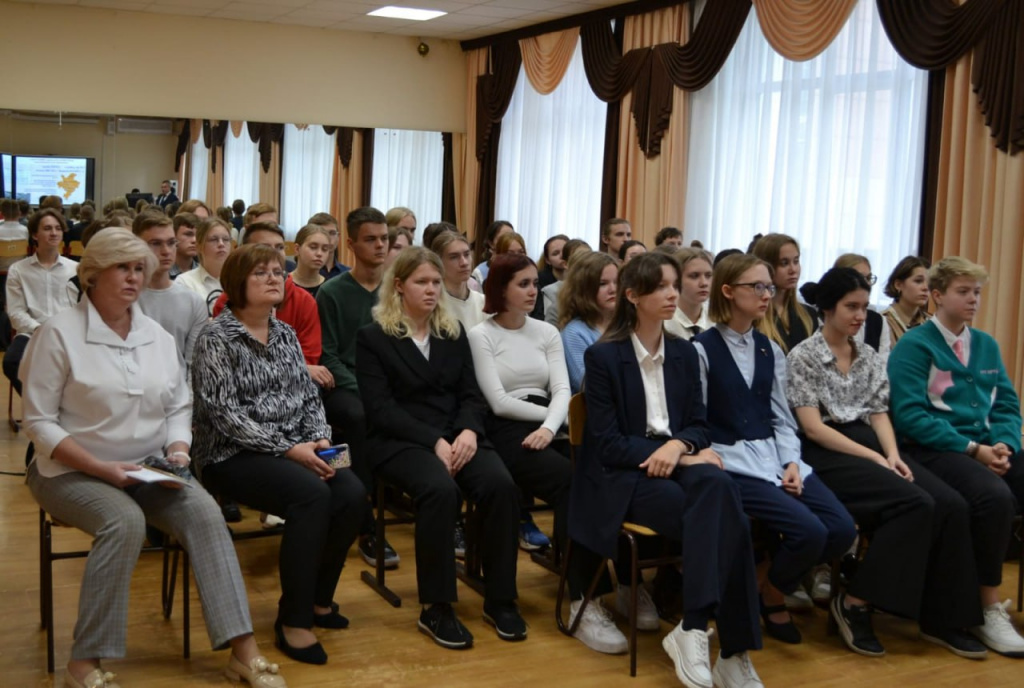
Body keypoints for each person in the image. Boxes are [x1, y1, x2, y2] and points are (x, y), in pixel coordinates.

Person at [22, 229, 285, 688]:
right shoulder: (58, 334)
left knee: (205, 514)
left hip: (147, 465)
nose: (133, 277)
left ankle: (244, 653)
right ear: (91, 275)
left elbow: (178, 406)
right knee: (124, 522)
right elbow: (39, 424)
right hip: (67, 469)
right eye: (121, 267)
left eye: (139, 268)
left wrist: (178, 448)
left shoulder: (156, 337)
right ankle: (82, 665)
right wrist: (102, 469)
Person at [572, 252, 764, 687]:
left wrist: (678, 447)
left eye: (674, 284)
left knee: (718, 489)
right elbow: (606, 444)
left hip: (677, 463)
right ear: (633, 296)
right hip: (625, 475)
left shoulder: (682, 352)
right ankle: (732, 650)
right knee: (725, 515)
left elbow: (699, 424)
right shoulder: (605, 358)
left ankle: (694, 627)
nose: (672, 293)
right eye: (661, 286)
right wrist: (675, 452)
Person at [788, 267, 987, 659]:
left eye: (864, 307)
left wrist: (893, 455)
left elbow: (879, 413)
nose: (860, 315)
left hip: (870, 442)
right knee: (916, 504)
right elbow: (812, 429)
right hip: (826, 450)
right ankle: (856, 602)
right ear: (827, 309)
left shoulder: (868, 354)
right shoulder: (804, 355)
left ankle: (943, 618)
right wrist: (875, 457)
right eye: (851, 307)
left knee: (951, 504)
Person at [192, 244, 364, 667]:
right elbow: (224, 414)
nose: (274, 278)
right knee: (311, 495)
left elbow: (308, 399)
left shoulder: (284, 334)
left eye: (276, 271)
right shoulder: (216, 338)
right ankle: (294, 620)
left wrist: (320, 440)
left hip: (300, 445)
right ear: (236, 284)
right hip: (231, 454)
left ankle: (320, 601)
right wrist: (289, 449)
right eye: (261, 273)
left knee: (354, 492)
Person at [357, 247, 524, 648]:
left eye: (436, 282)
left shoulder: (452, 332)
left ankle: (500, 598)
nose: (432, 290)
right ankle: (436, 606)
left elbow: (471, 393)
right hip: (402, 441)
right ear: (399, 286)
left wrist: (468, 431)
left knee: (501, 486)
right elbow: (381, 410)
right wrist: (433, 440)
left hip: (458, 435)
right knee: (439, 490)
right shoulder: (374, 338)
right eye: (422, 282)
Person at [693, 253, 856, 645]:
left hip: (775, 455)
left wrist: (791, 463)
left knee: (842, 528)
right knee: (809, 532)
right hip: (732, 460)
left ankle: (764, 581)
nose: (767, 294)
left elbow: (783, 418)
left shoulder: (770, 349)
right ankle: (772, 590)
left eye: (769, 286)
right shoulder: (701, 349)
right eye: (757, 287)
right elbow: (696, 418)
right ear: (729, 292)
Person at [889, 256, 1024, 658]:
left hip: (984, 446)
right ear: (936, 296)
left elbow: (1006, 405)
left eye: (977, 292)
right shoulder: (915, 345)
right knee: (993, 497)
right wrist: (975, 450)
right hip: (933, 449)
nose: (973, 300)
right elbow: (909, 415)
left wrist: (1003, 445)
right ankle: (986, 606)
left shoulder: (984, 344)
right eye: (963, 292)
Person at [317, 207, 399, 568]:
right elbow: (328, 355)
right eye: (371, 239)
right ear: (351, 244)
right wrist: (368, 388)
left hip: (392, 385)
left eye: (384, 238)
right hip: (348, 387)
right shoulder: (332, 293)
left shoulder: (396, 290)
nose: (380, 245)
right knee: (354, 415)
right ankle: (366, 524)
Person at [3, 209, 77, 395]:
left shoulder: (76, 269)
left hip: (68, 332)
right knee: (12, 361)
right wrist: (39, 330)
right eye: (47, 228)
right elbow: (16, 312)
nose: (54, 233)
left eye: (58, 228)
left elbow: (82, 307)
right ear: (35, 235)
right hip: (32, 333)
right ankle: (40, 406)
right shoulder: (18, 270)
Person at [131, 211, 207, 378]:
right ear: (137, 246)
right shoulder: (125, 298)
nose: (166, 251)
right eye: (155, 243)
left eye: (171, 243)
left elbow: (193, 364)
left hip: (177, 394)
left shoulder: (193, 301)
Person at [558, 251, 618, 394]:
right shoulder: (575, 332)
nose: (613, 289)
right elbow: (586, 384)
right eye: (603, 284)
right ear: (584, 289)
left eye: (617, 282)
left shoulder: (628, 323)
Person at [751, 233, 818, 352]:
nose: (793, 270)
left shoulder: (808, 315)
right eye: (784, 263)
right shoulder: (753, 317)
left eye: (796, 261)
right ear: (767, 266)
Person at [830, 253, 891, 358]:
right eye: (861, 278)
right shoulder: (826, 316)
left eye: (868, 278)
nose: (867, 284)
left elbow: (883, 365)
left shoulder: (878, 321)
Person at [432, 230, 486, 332]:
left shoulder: (483, 302)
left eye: (466, 255)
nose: (464, 262)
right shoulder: (433, 304)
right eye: (454, 257)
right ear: (439, 262)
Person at [177, 217, 232, 315]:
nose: (221, 244)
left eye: (226, 239)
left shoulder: (242, 280)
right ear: (199, 246)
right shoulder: (184, 282)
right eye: (213, 239)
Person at [881, 256, 931, 347]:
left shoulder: (932, 322)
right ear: (898, 285)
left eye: (929, 283)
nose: (926, 288)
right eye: (918, 281)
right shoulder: (882, 321)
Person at [664, 247, 713, 340]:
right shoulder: (664, 322)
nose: (704, 283)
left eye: (708, 275)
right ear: (676, 280)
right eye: (694, 276)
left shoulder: (718, 319)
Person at [543, 238, 591, 327]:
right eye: (579, 257)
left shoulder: (598, 291)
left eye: (589, 256)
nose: (585, 261)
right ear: (565, 264)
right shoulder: (552, 293)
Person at [291, 224, 330, 299]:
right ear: (297, 249)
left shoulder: (330, 288)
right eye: (313, 247)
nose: (319, 254)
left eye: (325, 249)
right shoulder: (283, 284)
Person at [471, 220, 513, 287]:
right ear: (491, 243)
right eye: (502, 238)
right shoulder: (479, 272)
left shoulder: (522, 267)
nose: (508, 241)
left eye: (512, 237)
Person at [308, 212, 349, 279]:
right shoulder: (301, 274)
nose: (328, 238)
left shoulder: (348, 274)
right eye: (322, 233)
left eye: (332, 233)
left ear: (338, 237)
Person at [169, 212, 200, 279]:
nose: (194, 240)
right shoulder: (162, 273)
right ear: (174, 236)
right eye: (188, 234)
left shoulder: (204, 273)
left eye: (198, 235)